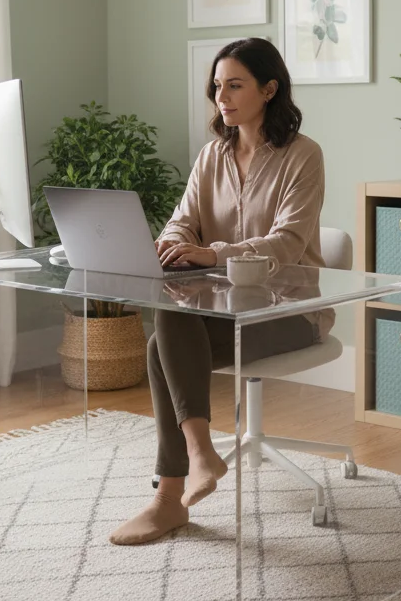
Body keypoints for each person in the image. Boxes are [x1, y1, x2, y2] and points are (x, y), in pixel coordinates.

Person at [109, 38, 330, 545]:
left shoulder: (303, 156)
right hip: (224, 310)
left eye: (235, 85)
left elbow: (289, 243)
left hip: (291, 312)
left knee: (159, 345)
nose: (221, 97)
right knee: (165, 327)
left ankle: (172, 494)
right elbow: (180, 223)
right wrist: (171, 245)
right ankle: (197, 458)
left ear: (269, 89)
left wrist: (214, 253)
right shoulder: (213, 155)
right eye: (216, 86)